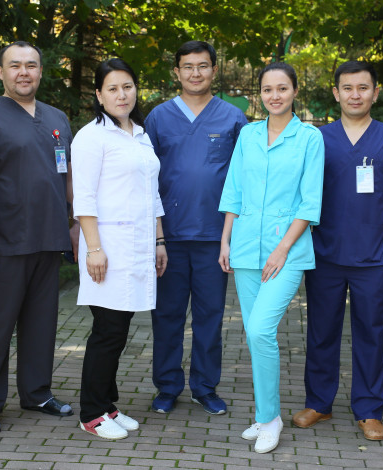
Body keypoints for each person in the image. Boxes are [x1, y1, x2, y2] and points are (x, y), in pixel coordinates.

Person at [292, 61, 383, 441]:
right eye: (347, 88)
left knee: (371, 334)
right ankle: (319, 403)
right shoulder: (318, 139)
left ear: (375, 93)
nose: (355, 95)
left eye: (363, 88)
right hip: (325, 254)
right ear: (336, 93)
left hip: (373, 257)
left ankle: (369, 410)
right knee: (321, 332)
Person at [0, 41, 75, 434]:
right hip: (3, 243)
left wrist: (74, 225)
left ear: (41, 71)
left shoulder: (57, 118)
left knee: (42, 325)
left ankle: (37, 393)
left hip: (49, 238)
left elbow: (67, 176)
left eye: (31, 65)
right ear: (1, 72)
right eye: (15, 66)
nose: (24, 72)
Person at [218, 62, 324, 453]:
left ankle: (272, 417)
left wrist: (282, 249)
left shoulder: (309, 138)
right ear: (259, 94)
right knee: (253, 334)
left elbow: (310, 202)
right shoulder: (247, 134)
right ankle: (265, 417)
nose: (274, 96)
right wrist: (226, 241)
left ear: (295, 91)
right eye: (267, 89)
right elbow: (233, 190)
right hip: (246, 247)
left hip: (288, 251)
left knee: (261, 330)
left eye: (282, 88)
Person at [145, 41, 247, 415]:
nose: (195, 73)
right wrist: (155, 235)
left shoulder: (233, 118)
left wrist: (233, 237)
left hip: (213, 236)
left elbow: (243, 178)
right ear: (177, 72)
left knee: (210, 316)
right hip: (168, 237)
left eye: (202, 66)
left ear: (214, 70)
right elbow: (145, 178)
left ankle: (205, 387)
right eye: (187, 66)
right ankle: (167, 386)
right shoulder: (158, 118)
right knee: (167, 316)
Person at [72, 58, 167, 440]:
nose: (121, 94)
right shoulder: (91, 137)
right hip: (107, 248)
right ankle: (91, 414)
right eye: (112, 88)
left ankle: (107, 405)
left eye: (127, 86)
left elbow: (152, 194)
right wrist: (93, 249)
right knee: (107, 331)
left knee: (119, 329)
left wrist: (159, 240)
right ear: (99, 95)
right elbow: (84, 198)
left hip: (138, 245)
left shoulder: (140, 135)